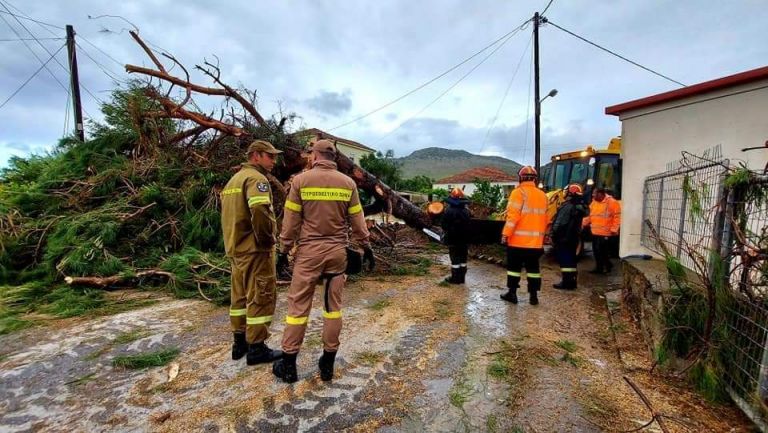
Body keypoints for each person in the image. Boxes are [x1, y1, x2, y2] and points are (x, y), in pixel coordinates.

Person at [273, 139, 372, 383]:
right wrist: (366, 246)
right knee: (332, 309)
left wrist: (283, 250)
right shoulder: (348, 183)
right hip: (337, 255)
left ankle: (288, 366)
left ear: (315, 156)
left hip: (308, 255)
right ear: (334, 158)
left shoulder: (300, 181)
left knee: (297, 309)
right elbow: (358, 222)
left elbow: (291, 222)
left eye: (310, 154)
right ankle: (327, 364)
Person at [220, 140, 284, 365]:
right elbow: (259, 211)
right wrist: (268, 240)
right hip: (255, 249)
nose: (274, 161)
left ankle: (239, 344)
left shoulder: (233, 181)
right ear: (256, 155)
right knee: (260, 295)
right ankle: (257, 348)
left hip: (236, 249)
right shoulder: (256, 179)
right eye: (270, 156)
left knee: (239, 297)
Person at [500, 166, 548, 305]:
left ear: (520, 178)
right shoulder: (542, 195)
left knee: (514, 269)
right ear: (534, 179)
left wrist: (505, 234)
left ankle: (512, 294)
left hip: (518, 242)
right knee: (533, 269)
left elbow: (513, 217)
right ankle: (533, 296)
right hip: (535, 243)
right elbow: (545, 219)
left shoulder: (518, 193)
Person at [551, 184, 588, 290]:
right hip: (573, 237)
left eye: (566, 191)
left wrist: (553, 233)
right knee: (572, 261)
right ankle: (572, 281)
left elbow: (559, 222)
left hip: (563, 237)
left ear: (570, 193)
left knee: (565, 261)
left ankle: (566, 282)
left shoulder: (567, 206)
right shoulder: (581, 206)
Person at [582, 187, 622, 274]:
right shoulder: (594, 202)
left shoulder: (612, 202)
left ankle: (605, 267)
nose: (593, 195)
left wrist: (614, 229)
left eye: (594, 193)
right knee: (596, 251)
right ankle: (601, 267)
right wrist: (583, 222)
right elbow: (592, 216)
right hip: (595, 232)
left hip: (606, 233)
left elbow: (617, 217)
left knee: (602, 251)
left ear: (600, 194)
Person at [441, 187, 471, 284]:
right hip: (465, 239)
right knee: (463, 257)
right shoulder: (466, 211)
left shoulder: (448, 211)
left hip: (453, 238)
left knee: (455, 258)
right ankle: (462, 278)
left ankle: (455, 278)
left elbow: (444, 225)